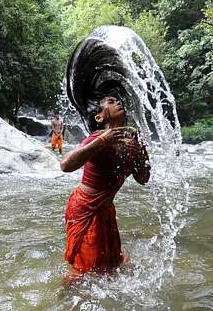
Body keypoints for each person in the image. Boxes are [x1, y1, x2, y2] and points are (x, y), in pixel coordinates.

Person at [60, 95, 150, 273]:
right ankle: (65, 298)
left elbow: (142, 179)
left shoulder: (131, 141)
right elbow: (65, 165)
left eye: (118, 100)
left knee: (111, 266)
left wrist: (142, 157)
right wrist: (102, 142)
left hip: (106, 210)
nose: (118, 102)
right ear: (99, 117)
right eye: (110, 101)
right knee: (85, 272)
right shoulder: (97, 137)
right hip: (85, 209)